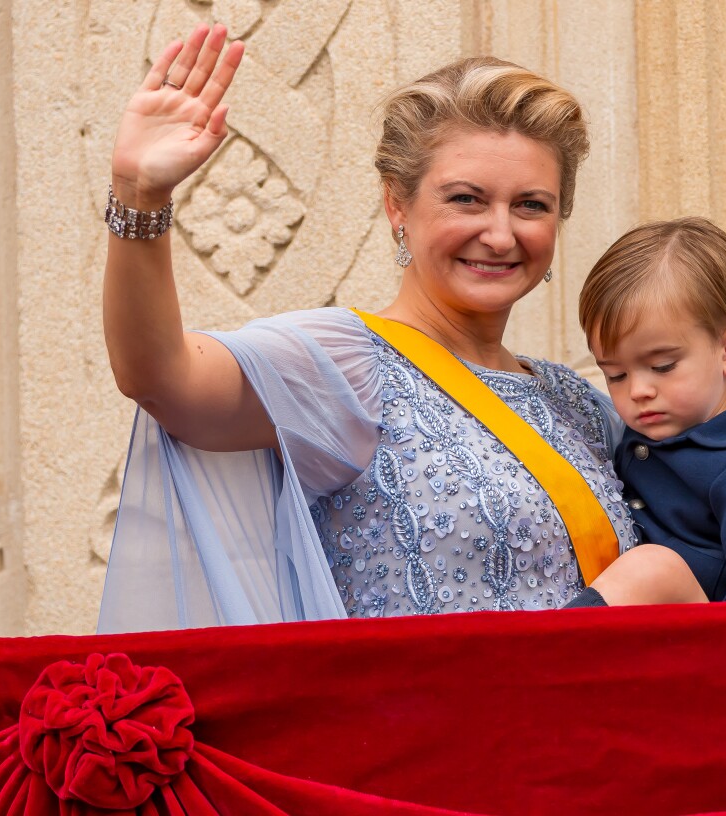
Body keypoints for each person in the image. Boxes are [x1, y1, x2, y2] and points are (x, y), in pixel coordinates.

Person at [97, 24, 637, 632]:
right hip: (411, 724)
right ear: (396, 206)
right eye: (466, 199)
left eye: (531, 205)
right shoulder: (344, 364)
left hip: (579, 726)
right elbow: (161, 376)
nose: (501, 233)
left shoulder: (583, 408)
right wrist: (140, 196)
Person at [565, 217, 726, 608]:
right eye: (616, 374)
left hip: (709, 652)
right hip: (634, 634)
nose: (638, 391)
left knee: (651, 570)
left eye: (662, 366)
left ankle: (535, 663)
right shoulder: (655, 429)